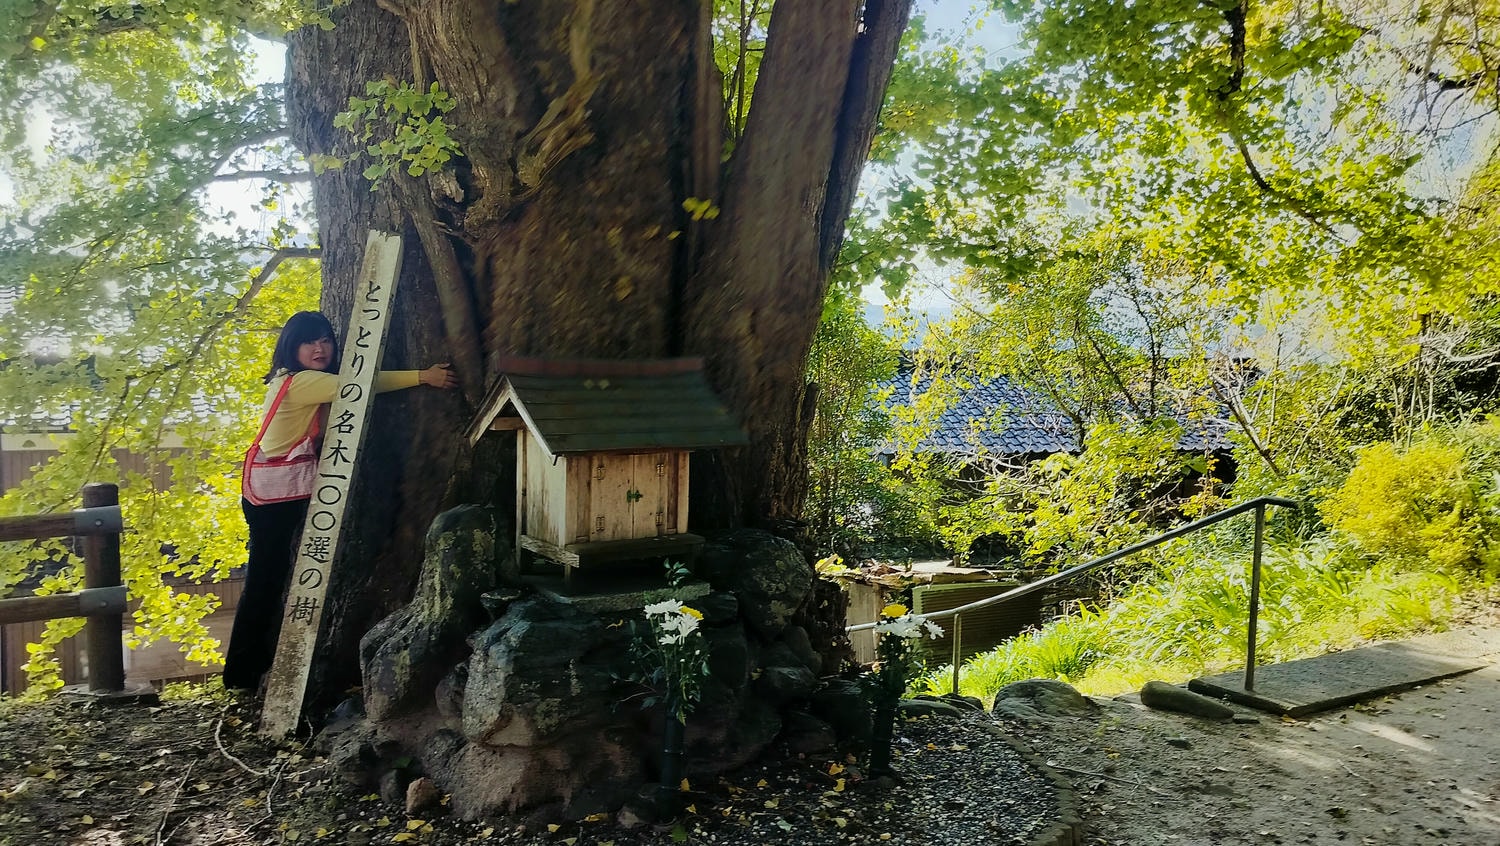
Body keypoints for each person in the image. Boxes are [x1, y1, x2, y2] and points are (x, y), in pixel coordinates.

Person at [222, 310, 457, 692]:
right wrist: (424, 376)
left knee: (266, 582)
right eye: (310, 341)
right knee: (264, 584)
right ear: (292, 347)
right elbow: (360, 383)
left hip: (270, 496)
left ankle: (247, 668)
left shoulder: (286, 380)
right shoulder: (303, 382)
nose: (320, 348)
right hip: (275, 502)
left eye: (326, 340)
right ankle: (242, 673)